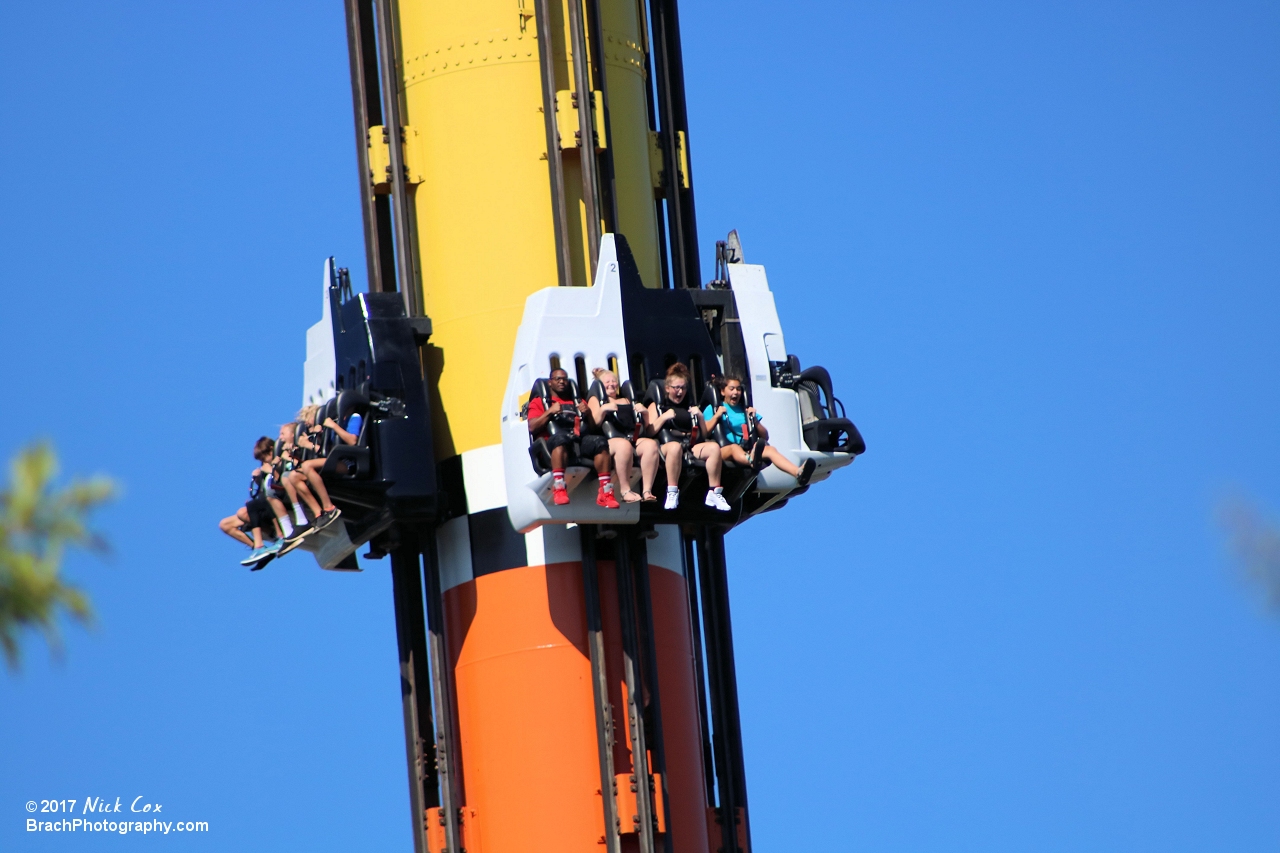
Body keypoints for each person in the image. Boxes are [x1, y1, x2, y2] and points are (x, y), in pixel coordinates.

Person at [526, 367, 619, 508]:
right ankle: (559, 487)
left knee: (600, 442)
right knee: (560, 439)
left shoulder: (577, 401)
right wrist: (550, 412)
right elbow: (532, 427)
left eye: (564, 379)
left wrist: (587, 413)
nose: (562, 382)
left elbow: (593, 428)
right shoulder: (539, 402)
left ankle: (605, 491)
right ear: (550, 382)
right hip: (554, 442)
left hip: (577, 441)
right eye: (558, 379)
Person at [704, 373, 816, 486]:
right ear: (723, 392)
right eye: (731, 389)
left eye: (738, 389)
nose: (735, 392)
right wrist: (716, 416)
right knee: (734, 448)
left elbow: (765, 436)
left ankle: (798, 472)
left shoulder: (745, 410)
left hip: (746, 450)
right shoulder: (713, 409)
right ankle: (751, 460)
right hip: (723, 450)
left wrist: (754, 420)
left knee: (770, 450)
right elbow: (705, 432)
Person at [646, 362, 729, 511]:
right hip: (667, 445)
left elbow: (704, 434)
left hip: (690, 444)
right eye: (676, 388)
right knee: (675, 447)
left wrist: (700, 417)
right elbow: (650, 431)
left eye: (683, 388)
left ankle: (714, 492)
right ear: (667, 388)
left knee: (714, 448)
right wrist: (664, 417)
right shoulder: (658, 405)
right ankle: (672, 492)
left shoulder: (688, 406)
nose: (680, 392)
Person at [586, 367, 657, 503]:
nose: (612, 384)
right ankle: (625, 490)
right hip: (608, 440)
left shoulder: (626, 400)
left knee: (651, 445)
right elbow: (593, 425)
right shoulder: (597, 400)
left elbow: (646, 428)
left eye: (614, 381)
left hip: (632, 437)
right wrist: (603, 410)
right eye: (607, 382)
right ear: (600, 385)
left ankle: (647, 491)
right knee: (624, 446)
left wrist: (645, 413)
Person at [218, 436, 285, 568]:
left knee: (245, 510)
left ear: (271, 450)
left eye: (264, 457)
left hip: (278, 503)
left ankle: (272, 538)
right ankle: (260, 550)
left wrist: (270, 470)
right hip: (264, 507)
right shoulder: (264, 467)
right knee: (225, 524)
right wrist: (258, 478)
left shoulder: (281, 460)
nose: (263, 461)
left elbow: (280, 482)